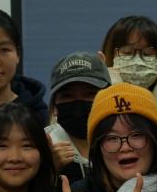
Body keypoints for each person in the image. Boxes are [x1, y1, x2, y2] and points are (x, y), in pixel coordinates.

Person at [44, 52, 111, 184]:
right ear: (54, 105)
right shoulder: (42, 147)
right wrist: (47, 171)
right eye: (67, 96)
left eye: (90, 94)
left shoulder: (126, 144)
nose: (78, 106)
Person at [99, 14, 157, 109]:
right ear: (110, 55)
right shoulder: (93, 99)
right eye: (127, 53)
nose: (137, 62)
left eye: (147, 54)